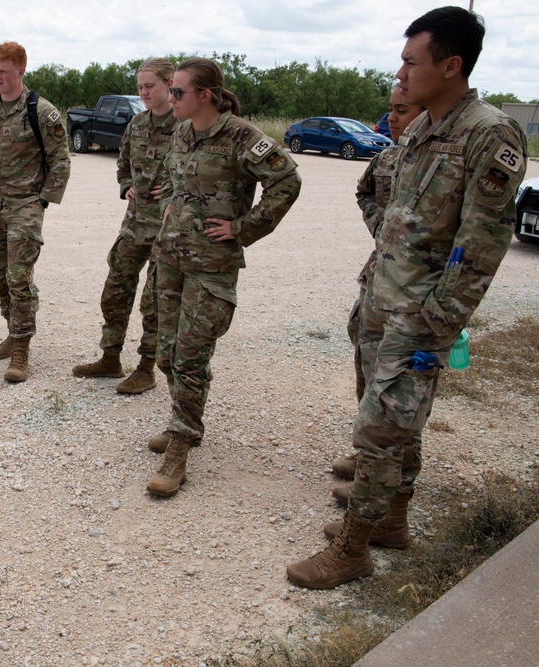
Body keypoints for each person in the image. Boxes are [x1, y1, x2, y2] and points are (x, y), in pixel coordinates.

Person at [287, 6, 528, 589]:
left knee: (378, 430)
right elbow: (397, 210)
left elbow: (483, 240)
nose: (401, 69)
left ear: (451, 64)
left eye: (410, 60)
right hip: (383, 299)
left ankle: (354, 550)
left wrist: (438, 319)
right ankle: (393, 519)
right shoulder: (422, 127)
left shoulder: (490, 133)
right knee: (394, 420)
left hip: (419, 313)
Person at [147, 57, 302, 497]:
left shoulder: (241, 137)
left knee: (190, 357)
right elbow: (174, 181)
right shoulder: (181, 130)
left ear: (206, 96)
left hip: (211, 267)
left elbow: (286, 181)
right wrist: (169, 211)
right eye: (170, 91)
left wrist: (243, 227)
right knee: (164, 353)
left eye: (178, 92)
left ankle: (179, 444)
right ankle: (187, 421)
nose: (170, 98)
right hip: (171, 258)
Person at [330, 87, 427, 508]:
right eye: (389, 110)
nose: (392, 117)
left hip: (413, 293)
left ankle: (393, 479)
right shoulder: (386, 159)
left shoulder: (434, 163)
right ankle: (370, 458)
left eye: (402, 110)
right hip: (378, 280)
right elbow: (364, 193)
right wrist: (382, 227)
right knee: (367, 368)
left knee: (398, 387)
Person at [72, 58, 178, 397]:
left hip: (168, 228)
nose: (144, 92)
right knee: (116, 287)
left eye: (150, 86)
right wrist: (126, 185)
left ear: (169, 83)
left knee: (155, 299)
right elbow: (123, 162)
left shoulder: (186, 126)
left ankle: (146, 368)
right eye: (140, 87)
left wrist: (176, 189)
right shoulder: (137, 124)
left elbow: (201, 172)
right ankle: (110, 358)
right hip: (135, 222)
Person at [0, 41, 71, 383]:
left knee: (18, 276)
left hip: (25, 206)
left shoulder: (41, 111)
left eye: (4, 71)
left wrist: (42, 200)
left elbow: (60, 160)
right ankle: (12, 330)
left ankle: (22, 349)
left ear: (21, 71)